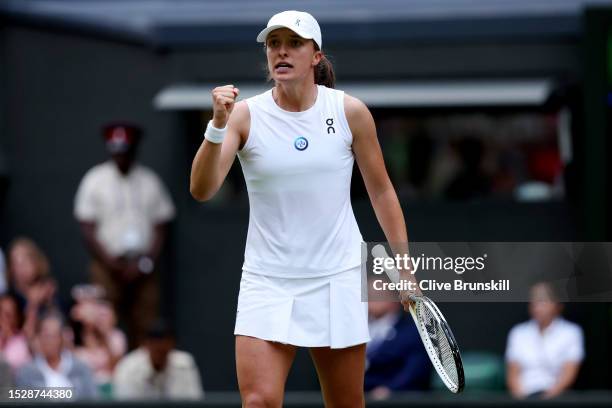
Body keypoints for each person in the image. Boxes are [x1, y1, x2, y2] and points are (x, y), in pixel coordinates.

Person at [190, 10, 413, 407]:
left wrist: (405, 268)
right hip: (267, 280)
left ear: (316, 56)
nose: (282, 52)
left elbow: (382, 192)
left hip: (337, 276)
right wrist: (217, 126)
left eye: (294, 43)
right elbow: (202, 189)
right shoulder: (244, 116)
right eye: (274, 44)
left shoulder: (350, 112)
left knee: (345, 403)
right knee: (258, 401)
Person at [74, 123, 175, 347]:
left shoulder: (150, 180)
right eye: (116, 151)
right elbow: (87, 227)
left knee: (147, 323)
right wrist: (110, 263)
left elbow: (162, 225)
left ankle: (142, 377)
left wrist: (147, 261)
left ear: (134, 150)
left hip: (143, 266)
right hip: (107, 265)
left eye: (125, 151)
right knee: (104, 323)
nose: (121, 156)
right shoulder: (95, 180)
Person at [505, 282, 584, 399]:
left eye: (543, 300)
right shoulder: (518, 332)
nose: (537, 306)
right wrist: (523, 401)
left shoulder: (571, 332)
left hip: (557, 398)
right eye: (534, 300)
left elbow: (569, 373)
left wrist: (546, 400)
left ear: (557, 304)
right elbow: (512, 374)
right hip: (524, 397)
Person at [112, 320, 203, 400]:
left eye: (163, 352)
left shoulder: (185, 364)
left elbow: (195, 401)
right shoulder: (128, 368)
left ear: (172, 346)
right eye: (156, 351)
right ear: (146, 346)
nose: (160, 356)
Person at [15, 312, 97, 399]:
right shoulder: (27, 372)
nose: (49, 341)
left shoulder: (81, 369)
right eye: (46, 336)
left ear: (61, 338)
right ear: (39, 338)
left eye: (53, 336)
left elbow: (92, 399)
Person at [365, 297, 430, 399]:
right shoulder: (356, 329)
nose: (372, 299)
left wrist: (391, 389)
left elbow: (415, 369)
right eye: (368, 294)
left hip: (397, 397)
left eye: (379, 295)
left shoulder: (413, 331)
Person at [70, 284, 127, 391]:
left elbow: (116, 366)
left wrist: (101, 332)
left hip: (108, 386)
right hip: (79, 387)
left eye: (104, 314)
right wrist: (80, 326)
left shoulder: (116, 336)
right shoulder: (72, 334)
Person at [6, 237, 59, 340]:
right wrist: (33, 305)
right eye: (16, 263)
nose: (22, 267)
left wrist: (50, 303)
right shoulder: (11, 300)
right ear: (11, 269)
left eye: (26, 260)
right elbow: (24, 338)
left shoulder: (48, 290)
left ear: (36, 261)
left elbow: (58, 326)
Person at [0, 293, 32, 371]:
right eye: (1, 312)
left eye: (9, 314)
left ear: (17, 317)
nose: (4, 317)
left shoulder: (22, 342)